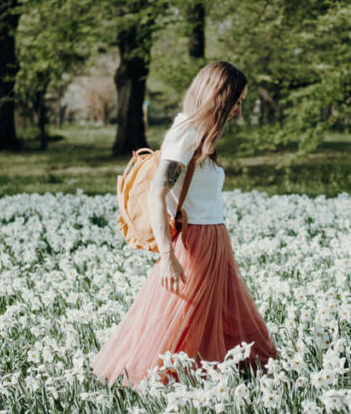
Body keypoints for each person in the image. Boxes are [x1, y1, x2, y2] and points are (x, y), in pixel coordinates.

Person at [90, 61, 278, 389]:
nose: (238, 110)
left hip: (215, 238)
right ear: (220, 96)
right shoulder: (186, 133)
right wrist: (167, 256)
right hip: (196, 242)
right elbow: (156, 195)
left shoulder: (201, 135)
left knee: (213, 316)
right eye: (237, 100)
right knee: (185, 320)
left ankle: (214, 377)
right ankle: (166, 384)